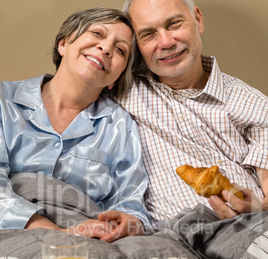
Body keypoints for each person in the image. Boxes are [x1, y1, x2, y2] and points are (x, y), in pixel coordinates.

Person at [0, 8, 151, 242]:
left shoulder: (121, 126)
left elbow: (130, 202)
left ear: (117, 79)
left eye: (120, 49)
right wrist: (56, 233)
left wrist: (130, 221)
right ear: (63, 43)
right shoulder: (3, 99)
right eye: (97, 34)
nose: (106, 48)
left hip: (91, 243)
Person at [119, 0, 268, 225]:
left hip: (250, 229)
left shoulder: (252, 103)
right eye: (148, 34)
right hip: (170, 240)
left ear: (198, 19)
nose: (166, 42)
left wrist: (257, 209)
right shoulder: (120, 93)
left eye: (174, 23)